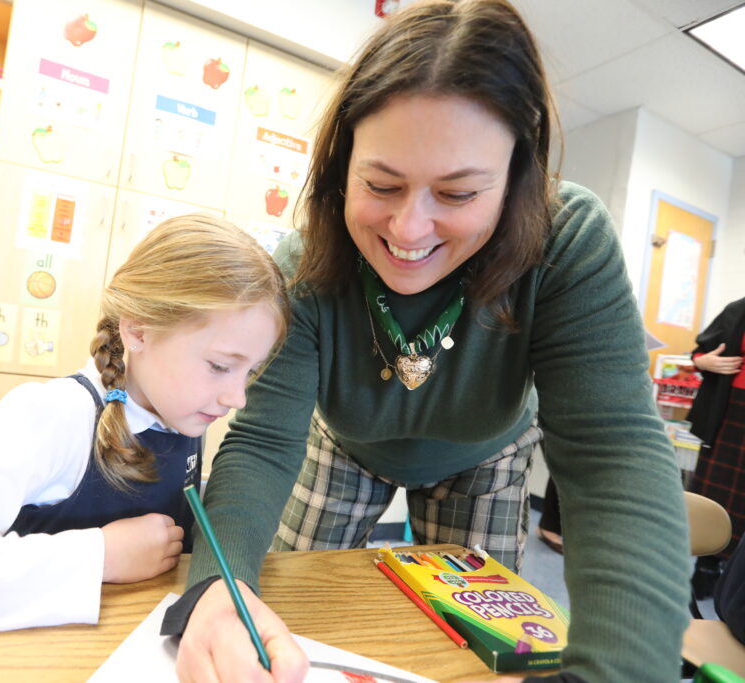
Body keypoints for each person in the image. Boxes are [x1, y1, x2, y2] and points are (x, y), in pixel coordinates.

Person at [162, 2, 690, 682]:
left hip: (487, 449)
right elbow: (263, 441)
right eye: (381, 185)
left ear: (517, 181)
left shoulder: (568, 241)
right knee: (285, 611)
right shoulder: (304, 262)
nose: (410, 231)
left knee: (473, 654)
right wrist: (214, 587)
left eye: (459, 192)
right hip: (344, 442)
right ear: (340, 166)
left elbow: (614, 454)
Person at [0, 214, 290, 636]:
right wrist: (100, 555)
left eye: (249, 372)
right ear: (139, 331)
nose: (237, 398)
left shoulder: (180, 410)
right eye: (218, 366)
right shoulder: (50, 415)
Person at [687, 296, 745, 599]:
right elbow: (699, 352)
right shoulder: (738, 309)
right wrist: (702, 362)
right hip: (729, 412)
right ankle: (706, 568)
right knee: (717, 492)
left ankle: (736, 579)